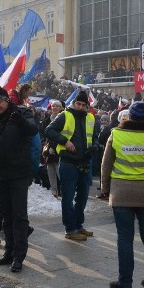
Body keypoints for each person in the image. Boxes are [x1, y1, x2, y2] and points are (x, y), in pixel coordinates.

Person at [101, 101, 144, 288]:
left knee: (125, 239)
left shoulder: (116, 134)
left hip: (122, 193)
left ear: (130, 116)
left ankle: (125, 282)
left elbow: (106, 163)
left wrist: (105, 188)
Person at [0, 85, 39, 272]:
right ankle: (8, 252)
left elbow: (33, 130)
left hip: (18, 174)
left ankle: (19, 256)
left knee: (19, 215)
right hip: (0, 174)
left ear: (7, 101)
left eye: (0, 101)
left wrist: (21, 123)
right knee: (5, 215)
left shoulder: (22, 113)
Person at [45, 90, 99, 241]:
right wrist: (65, 141)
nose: (81, 107)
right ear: (74, 103)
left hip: (85, 161)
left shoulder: (91, 117)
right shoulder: (65, 115)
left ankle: (78, 225)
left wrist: (94, 145)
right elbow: (49, 130)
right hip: (69, 162)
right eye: (78, 104)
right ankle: (70, 229)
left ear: (87, 106)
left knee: (82, 197)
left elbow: (94, 136)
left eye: (83, 105)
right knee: (68, 197)